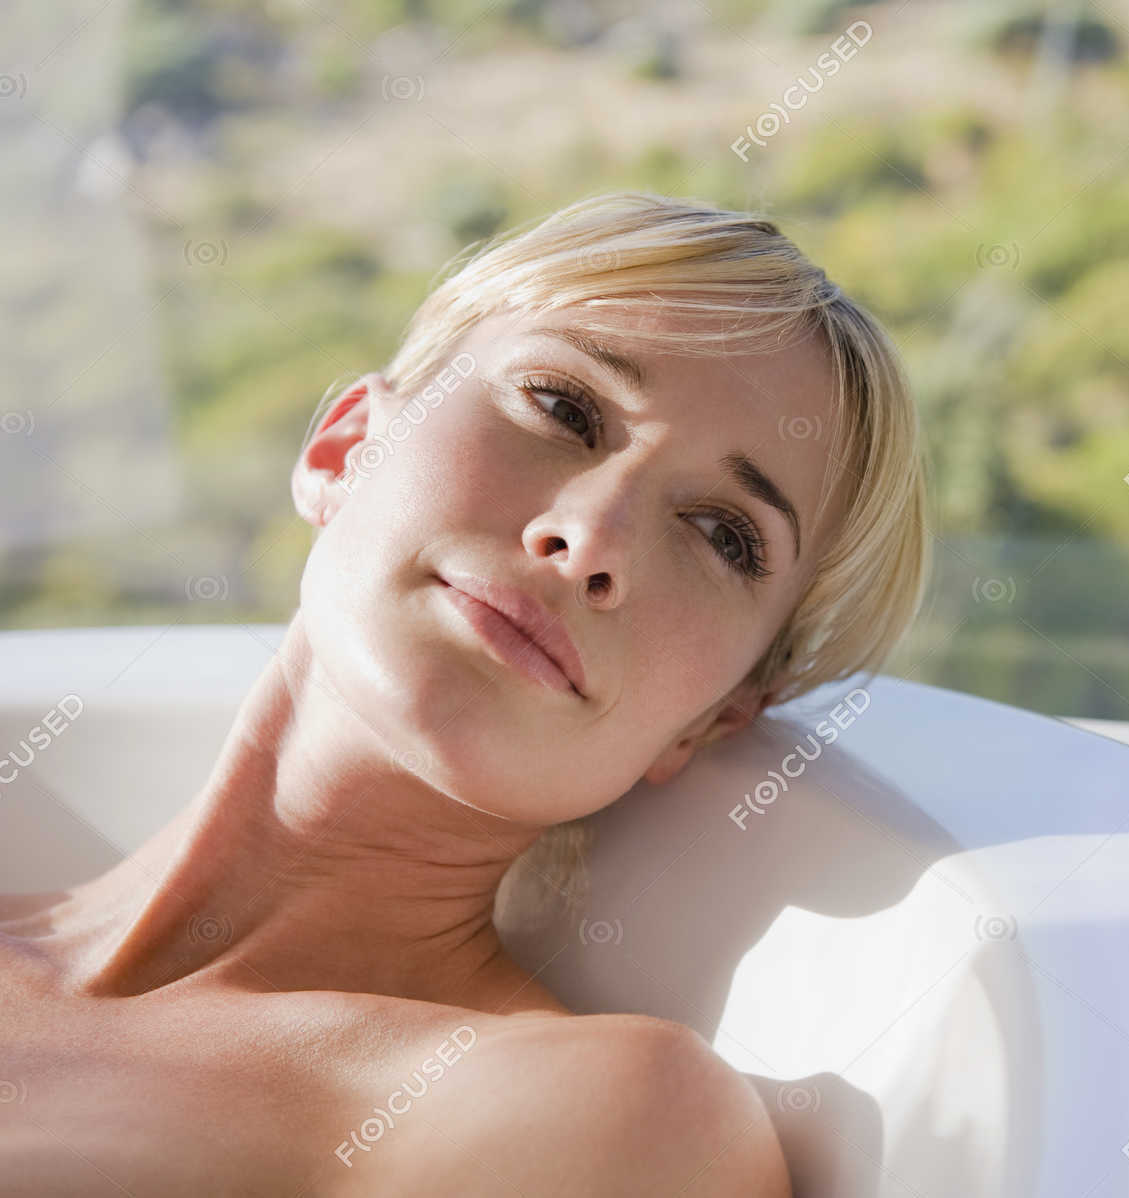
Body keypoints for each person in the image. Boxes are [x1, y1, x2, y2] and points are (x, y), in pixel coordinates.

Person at [0, 192, 931, 1196]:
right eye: (564, 409)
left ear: (715, 720)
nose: (592, 539)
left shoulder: (598, 1118)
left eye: (722, 534)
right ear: (346, 448)